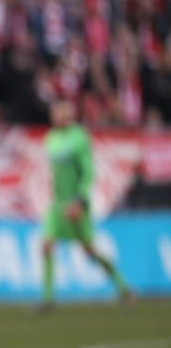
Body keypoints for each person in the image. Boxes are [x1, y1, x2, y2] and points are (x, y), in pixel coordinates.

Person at [39, 99, 132, 312]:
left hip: (76, 203)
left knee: (89, 252)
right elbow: (55, 173)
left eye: (61, 112)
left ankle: (123, 288)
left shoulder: (79, 137)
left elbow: (88, 171)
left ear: (69, 114)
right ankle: (48, 299)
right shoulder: (50, 138)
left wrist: (80, 200)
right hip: (58, 204)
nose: (57, 116)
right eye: (54, 112)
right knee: (46, 245)